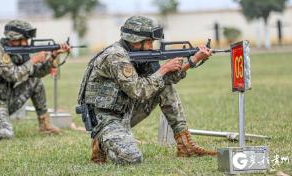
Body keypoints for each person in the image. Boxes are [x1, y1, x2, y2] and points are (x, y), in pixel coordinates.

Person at [78, 15, 217, 164]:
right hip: (104, 117)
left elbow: (163, 80)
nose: (152, 45)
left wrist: (193, 59)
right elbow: (138, 90)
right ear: (135, 40)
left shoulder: (137, 55)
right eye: (149, 41)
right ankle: (101, 142)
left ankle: (185, 145)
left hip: (124, 111)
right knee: (132, 158)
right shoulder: (116, 56)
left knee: (164, 85)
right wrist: (164, 69)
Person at [0, 20, 70, 139]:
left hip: (7, 99)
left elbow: (36, 72)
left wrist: (53, 56)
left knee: (35, 82)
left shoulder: (18, 52)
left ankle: (44, 124)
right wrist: (33, 60)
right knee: (5, 135)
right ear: (14, 38)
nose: (26, 43)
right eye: (24, 39)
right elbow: (12, 75)